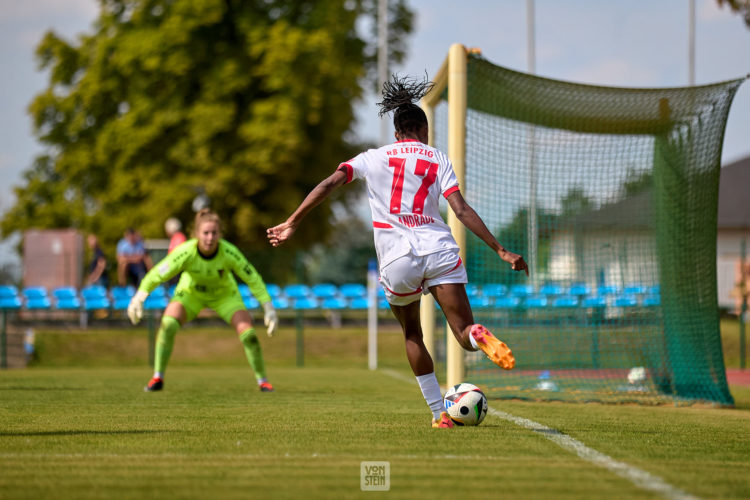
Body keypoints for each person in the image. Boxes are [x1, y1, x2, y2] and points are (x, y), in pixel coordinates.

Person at [267, 75, 528, 428]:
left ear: (397, 133)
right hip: (439, 249)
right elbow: (461, 210)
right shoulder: (437, 159)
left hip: (398, 258)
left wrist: (294, 221)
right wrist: (501, 250)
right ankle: (477, 332)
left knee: (412, 334)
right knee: (463, 334)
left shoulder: (374, 157)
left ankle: (440, 414)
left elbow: (330, 182)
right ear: (423, 129)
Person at [127, 208, 279, 393]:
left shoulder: (229, 252)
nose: (210, 237)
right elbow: (159, 273)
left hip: (225, 295)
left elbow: (252, 277)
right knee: (167, 324)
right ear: (197, 234)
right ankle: (157, 377)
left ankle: (263, 381)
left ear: (220, 234)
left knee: (249, 335)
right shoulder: (185, 251)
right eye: (205, 233)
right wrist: (140, 296)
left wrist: (268, 306)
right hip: (191, 293)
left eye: (214, 233)